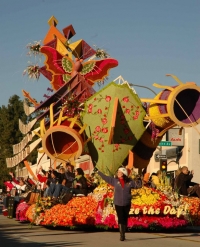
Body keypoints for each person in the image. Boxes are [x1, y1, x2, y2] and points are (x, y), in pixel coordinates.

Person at [94, 166, 142, 241]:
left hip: (127, 203)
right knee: (120, 217)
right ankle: (122, 235)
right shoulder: (115, 181)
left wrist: (139, 179)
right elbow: (106, 178)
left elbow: (138, 186)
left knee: (125, 217)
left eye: (119, 172)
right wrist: (98, 172)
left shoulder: (130, 182)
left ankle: (123, 231)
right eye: (118, 172)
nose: (118, 173)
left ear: (123, 173)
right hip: (118, 203)